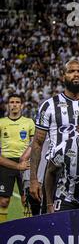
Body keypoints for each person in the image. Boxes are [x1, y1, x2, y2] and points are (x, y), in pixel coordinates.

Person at [30, 59, 79, 213]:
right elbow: (37, 143)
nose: (76, 75)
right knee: (53, 223)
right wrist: (33, 179)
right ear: (63, 76)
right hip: (56, 171)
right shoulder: (49, 105)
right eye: (71, 71)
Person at [0, 94, 35, 222]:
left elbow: (34, 145)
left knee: (26, 200)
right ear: (7, 105)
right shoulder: (1, 122)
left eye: (17, 102)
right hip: (6, 163)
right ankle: (2, 231)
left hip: (25, 163)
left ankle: (28, 230)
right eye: (11, 102)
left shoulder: (29, 122)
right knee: (3, 201)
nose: (14, 104)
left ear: (21, 105)